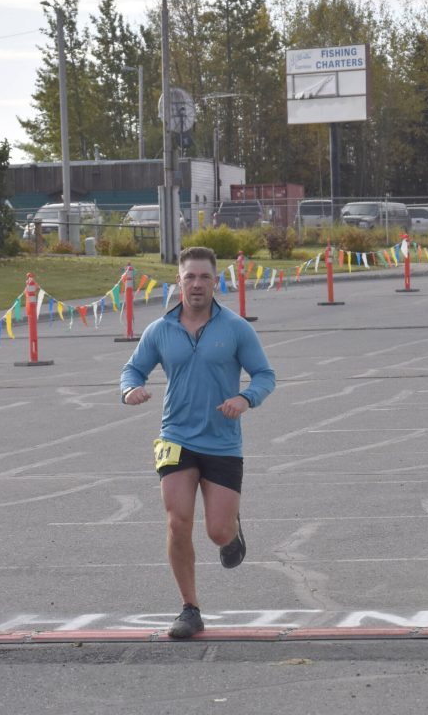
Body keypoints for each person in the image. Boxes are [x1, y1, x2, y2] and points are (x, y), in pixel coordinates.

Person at [120, 245, 275, 640]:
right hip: (176, 437)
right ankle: (190, 609)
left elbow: (264, 376)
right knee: (177, 521)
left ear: (216, 282)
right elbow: (133, 368)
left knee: (217, 532)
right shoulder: (160, 329)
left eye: (205, 277)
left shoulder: (236, 328)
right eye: (190, 276)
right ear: (179, 282)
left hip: (222, 441)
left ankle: (232, 531)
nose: (197, 284)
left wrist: (244, 398)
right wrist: (130, 389)